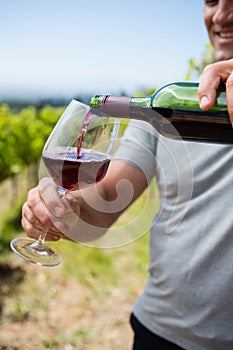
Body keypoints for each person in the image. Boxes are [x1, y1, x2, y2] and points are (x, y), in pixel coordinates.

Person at [21, 1, 233, 349]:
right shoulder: (170, 107)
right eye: (212, 0)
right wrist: (65, 209)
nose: (222, 15)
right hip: (160, 332)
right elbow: (105, 198)